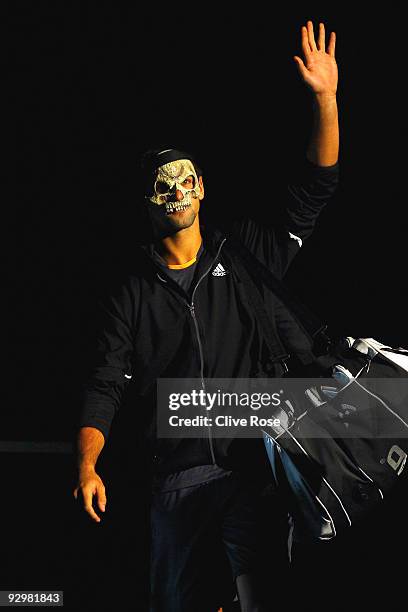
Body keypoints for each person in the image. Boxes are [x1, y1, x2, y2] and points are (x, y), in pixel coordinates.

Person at [73, 20, 339, 612]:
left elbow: (314, 189)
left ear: (201, 187)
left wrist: (326, 99)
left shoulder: (242, 256)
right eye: (163, 185)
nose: (178, 191)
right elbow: (103, 383)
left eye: (186, 179)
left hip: (254, 465)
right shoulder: (132, 294)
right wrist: (89, 465)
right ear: (148, 200)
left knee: (264, 595)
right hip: (179, 479)